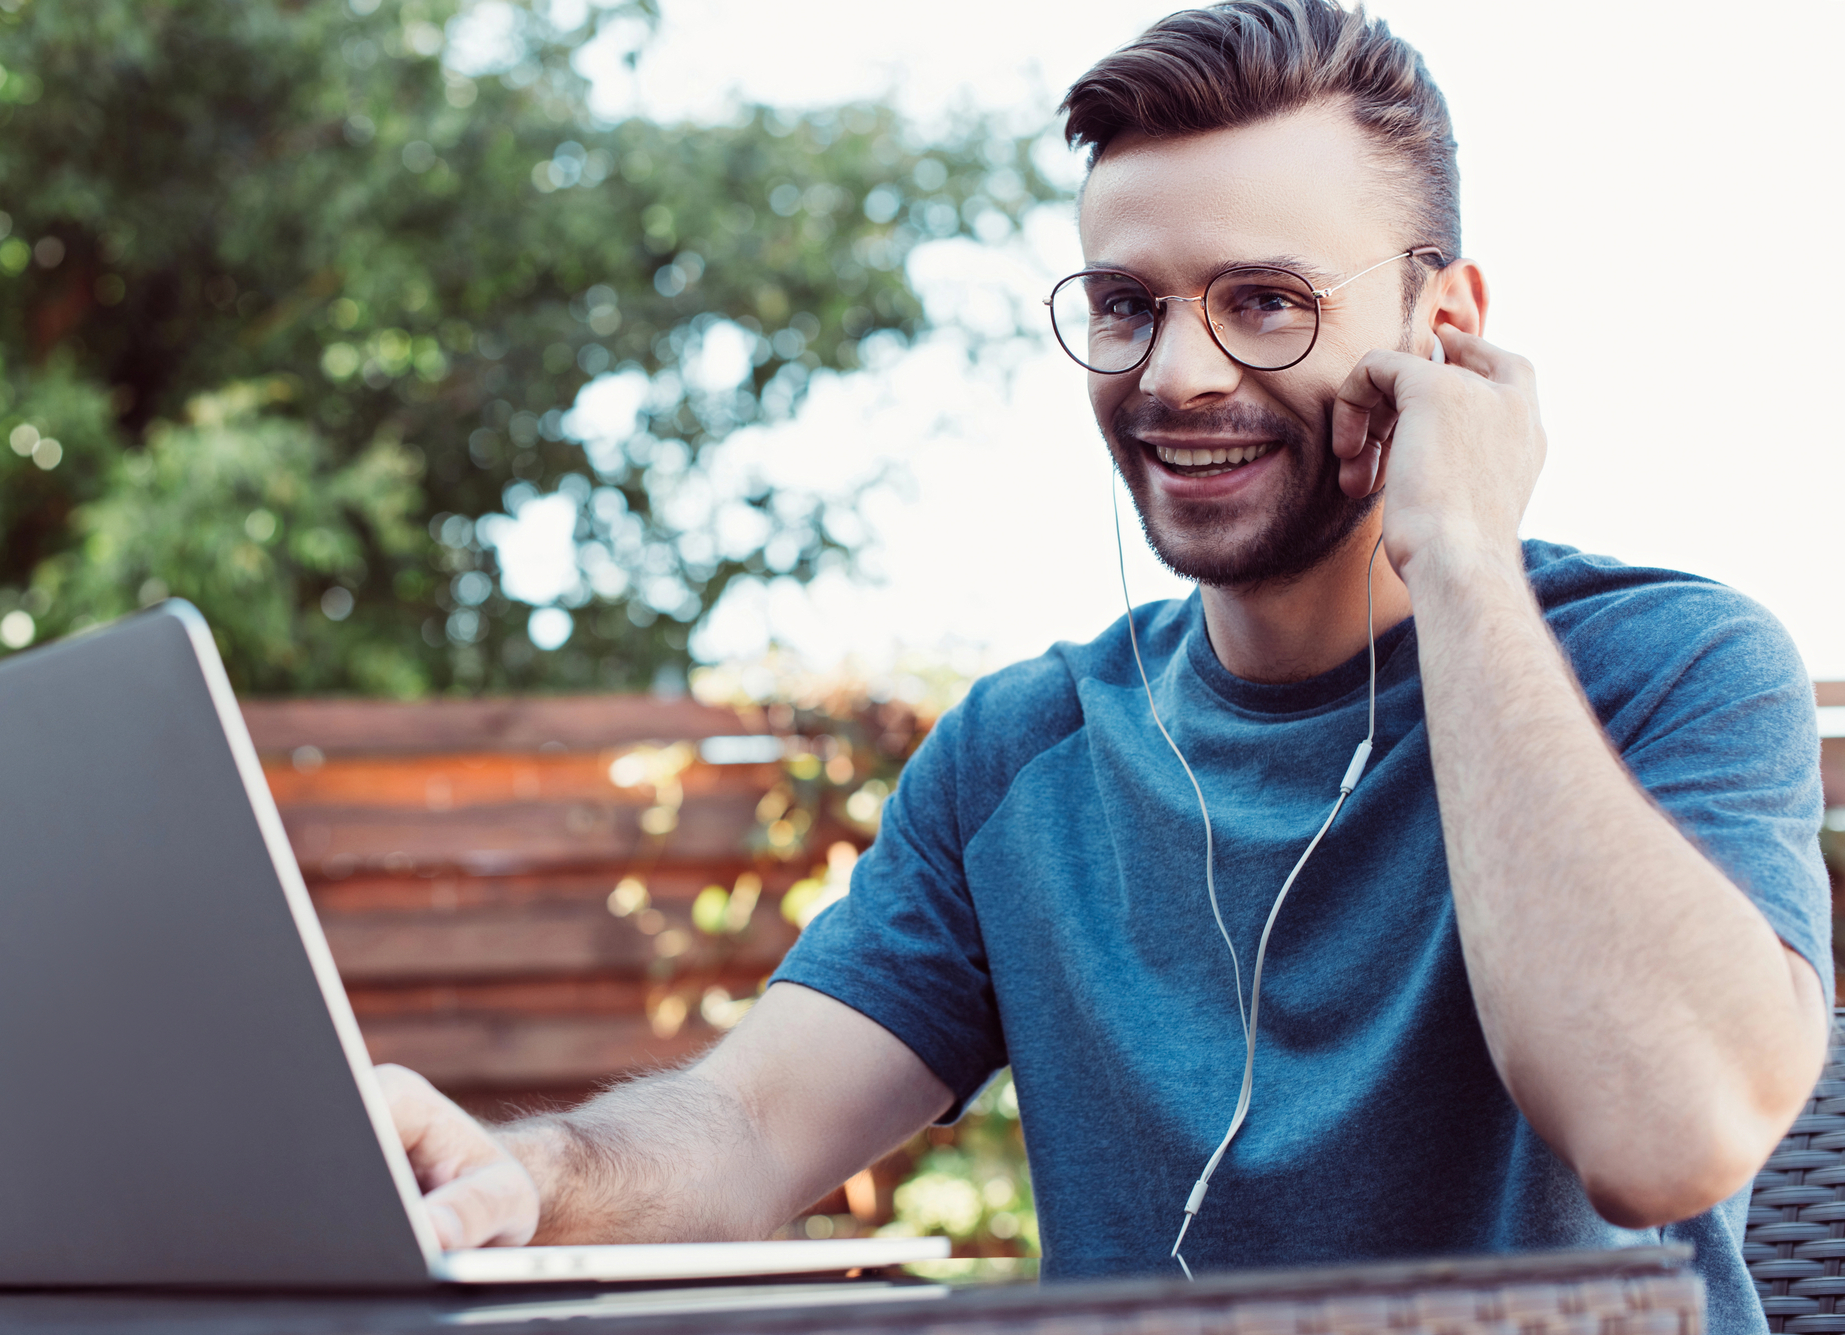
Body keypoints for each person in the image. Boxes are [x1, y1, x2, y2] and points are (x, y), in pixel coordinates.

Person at [374, 3, 1833, 1330]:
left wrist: (1458, 555)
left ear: (1441, 331)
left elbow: (1667, 1134)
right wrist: (522, 1174)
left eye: (1266, 301)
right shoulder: (1023, 754)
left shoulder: (1670, 667)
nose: (1177, 373)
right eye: (1129, 304)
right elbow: (751, 1131)